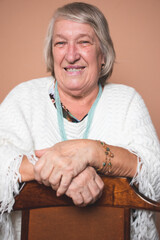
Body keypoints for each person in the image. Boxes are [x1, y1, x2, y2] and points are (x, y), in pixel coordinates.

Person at [0, 2, 160, 239]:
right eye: (61, 43)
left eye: (84, 42)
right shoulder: (23, 97)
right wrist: (61, 170)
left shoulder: (126, 100)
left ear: (102, 54)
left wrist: (93, 152)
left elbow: (155, 177)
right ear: (51, 53)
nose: (71, 55)